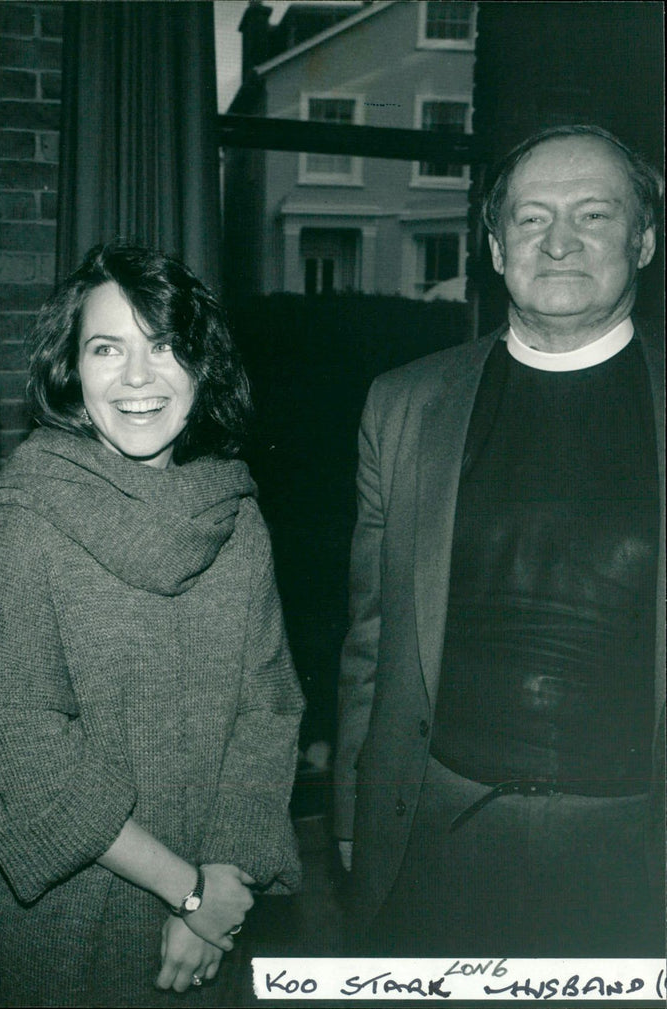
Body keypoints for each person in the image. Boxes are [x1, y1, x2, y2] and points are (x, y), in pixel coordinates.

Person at [0, 243, 305, 1006]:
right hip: (67, 924)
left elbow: (266, 712)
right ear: (72, 370)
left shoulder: (236, 517)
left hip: (207, 921)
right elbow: (20, 744)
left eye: (164, 346)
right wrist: (189, 891)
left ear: (203, 368)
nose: (138, 377)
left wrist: (220, 884)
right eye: (108, 348)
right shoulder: (25, 520)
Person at [333, 124, 664, 956]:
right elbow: (371, 639)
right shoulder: (404, 406)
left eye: (593, 215)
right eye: (530, 218)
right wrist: (352, 812)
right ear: (492, 245)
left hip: (638, 854)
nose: (558, 241)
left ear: (646, 239)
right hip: (441, 840)